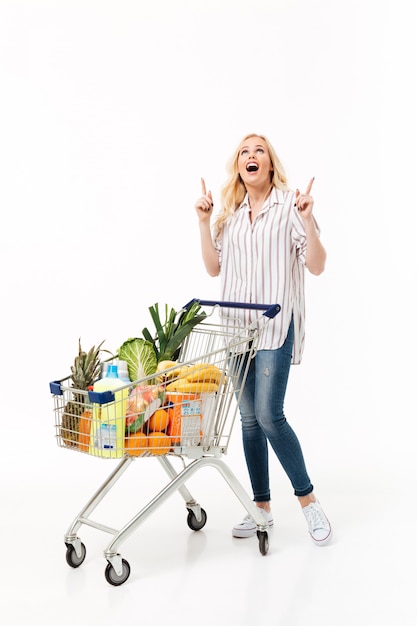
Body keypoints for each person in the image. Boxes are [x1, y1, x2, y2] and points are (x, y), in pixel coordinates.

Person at [194, 133, 332, 546]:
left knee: (271, 416)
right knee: (250, 421)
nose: (251, 156)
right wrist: (204, 222)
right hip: (236, 332)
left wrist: (307, 218)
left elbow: (317, 266)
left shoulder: (291, 206)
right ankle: (262, 509)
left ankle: (309, 502)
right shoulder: (231, 215)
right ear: (239, 166)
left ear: (270, 165)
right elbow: (214, 269)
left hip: (274, 328)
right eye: (244, 152)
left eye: (260, 152)